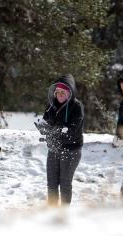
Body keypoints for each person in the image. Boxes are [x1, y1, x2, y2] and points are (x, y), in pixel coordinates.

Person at [34, 74, 84, 206]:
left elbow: (71, 129)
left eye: (63, 92)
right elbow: (45, 121)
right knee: (51, 183)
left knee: (65, 183)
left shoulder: (77, 107)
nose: (60, 95)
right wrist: (42, 127)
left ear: (69, 93)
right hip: (53, 148)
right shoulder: (51, 106)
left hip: (71, 150)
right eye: (57, 92)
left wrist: (55, 131)